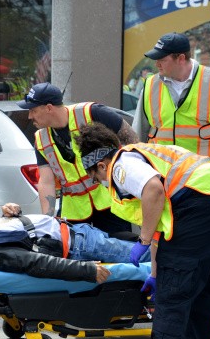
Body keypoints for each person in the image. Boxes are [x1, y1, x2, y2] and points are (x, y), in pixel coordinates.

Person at [75, 123, 210, 339]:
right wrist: (155, 273)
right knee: (207, 291)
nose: (100, 183)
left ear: (101, 165)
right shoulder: (149, 154)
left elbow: (153, 190)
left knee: (172, 298)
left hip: (201, 205)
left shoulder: (120, 165)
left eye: (96, 178)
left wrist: (142, 241)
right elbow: (162, 226)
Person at [131, 32, 210, 191]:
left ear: (180, 58)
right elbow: (137, 134)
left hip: (208, 177)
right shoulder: (150, 85)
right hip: (163, 176)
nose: (157, 64)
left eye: (162, 59)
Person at [19, 82, 136, 236]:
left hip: (110, 202)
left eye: (33, 110)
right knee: (72, 250)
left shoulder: (92, 113)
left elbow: (132, 139)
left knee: (121, 246)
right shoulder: (41, 139)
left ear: (49, 108)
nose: (29, 116)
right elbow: (46, 182)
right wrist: (48, 221)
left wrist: (134, 181)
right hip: (74, 212)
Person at [0, 201, 136, 283]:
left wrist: (12, 214)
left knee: (141, 243)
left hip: (79, 232)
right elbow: (35, 261)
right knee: (144, 254)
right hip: (80, 245)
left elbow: (23, 238)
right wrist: (85, 270)